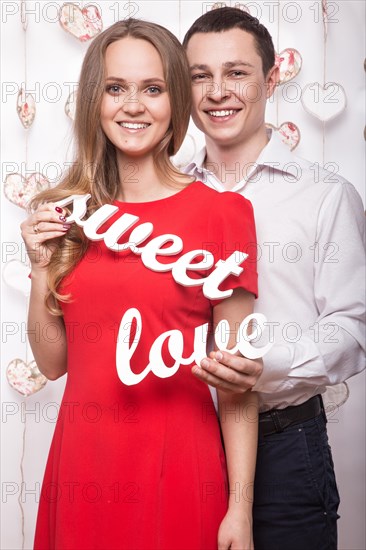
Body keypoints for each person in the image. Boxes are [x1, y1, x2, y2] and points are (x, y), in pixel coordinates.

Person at [21, 18, 260, 550]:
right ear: (94, 101)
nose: (133, 106)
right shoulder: (70, 215)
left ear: (175, 100)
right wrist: (40, 270)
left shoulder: (223, 215)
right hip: (83, 466)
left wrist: (239, 509)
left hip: (179, 467)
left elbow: (237, 382)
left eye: (152, 89)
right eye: (115, 88)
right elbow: (54, 363)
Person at [182, 7, 365, 550]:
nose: (218, 92)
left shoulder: (324, 194)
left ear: (270, 78)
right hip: (178, 440)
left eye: (236, 73)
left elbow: (354, 329)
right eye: (199, 75)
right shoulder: (162, 195)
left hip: (284, 447)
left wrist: (266, 365)